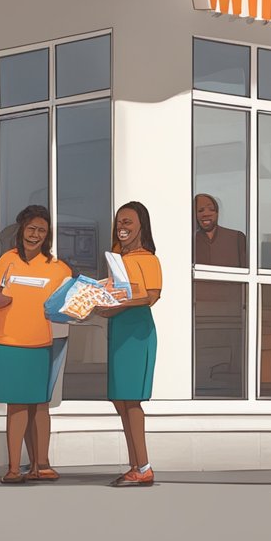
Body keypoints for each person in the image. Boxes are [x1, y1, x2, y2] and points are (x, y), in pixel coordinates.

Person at [0, 205, 71, 484]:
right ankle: (13, 467)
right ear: (21, 228)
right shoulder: (7, 259)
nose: (35, 235)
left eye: (42, 231)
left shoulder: (58, 268)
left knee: (41, 405)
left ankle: (41, 464)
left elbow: (70, 301)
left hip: (43, 341)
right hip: (10, 340)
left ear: (48, 236)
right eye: (31, 228)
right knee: (18, 406)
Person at [96, 201, 164, 487]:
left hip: (137, 333)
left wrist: (119, 301)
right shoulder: (117, 260)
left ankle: (144, 466)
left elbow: (151, 296)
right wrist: (99, 305)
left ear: (141, 226)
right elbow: (114, 298)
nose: (122, 227)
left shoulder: (148, 259)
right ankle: (135, 464)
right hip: (119, 329)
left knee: (132, 400)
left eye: (128, 222)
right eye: (119, 222)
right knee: (120, 400)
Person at [194, 193, 247, 267]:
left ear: (217, 213)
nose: (206, 214)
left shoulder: (236, 238)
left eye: (211, 209)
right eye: (200, 210)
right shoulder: (189, 242)